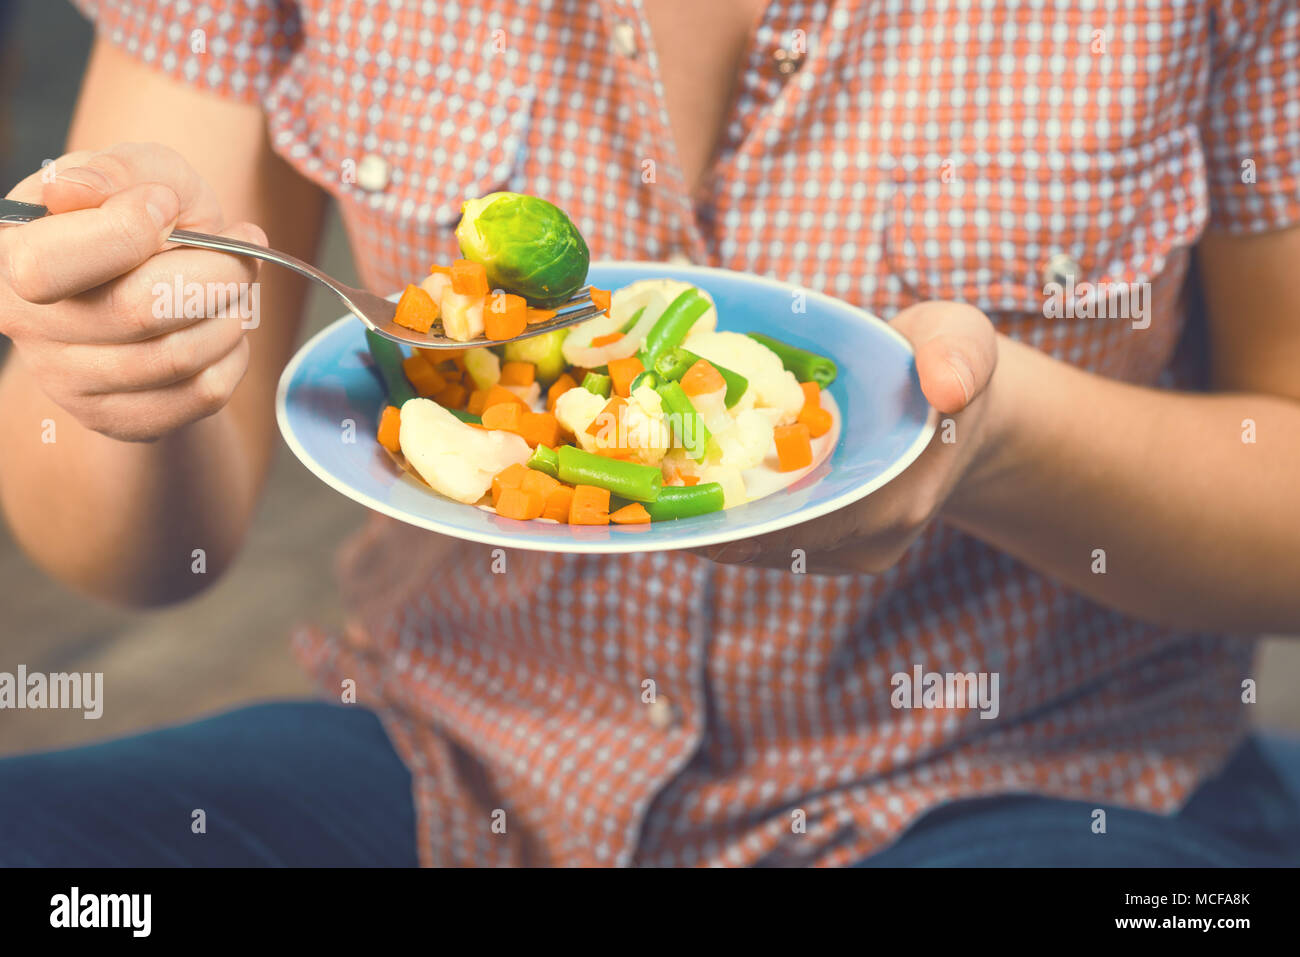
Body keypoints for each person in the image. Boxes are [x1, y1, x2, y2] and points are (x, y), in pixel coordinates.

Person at [0, 0, 1298, 867]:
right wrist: (133, 368)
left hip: (1033, 777)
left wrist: (1001, 442)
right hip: (450, 756)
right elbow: (125, 552)